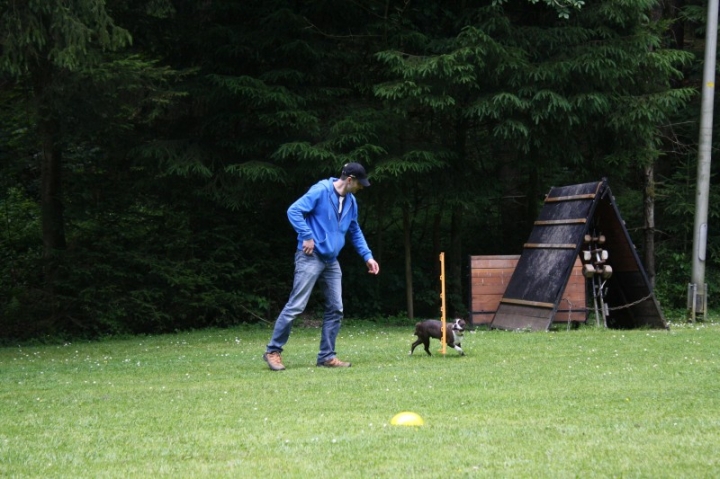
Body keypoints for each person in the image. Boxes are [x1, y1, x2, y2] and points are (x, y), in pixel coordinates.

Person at [263, 162, 380, 371]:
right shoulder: (320, 191)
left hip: (331, 260)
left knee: (336, 308)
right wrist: (306, 236)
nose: (361, 188)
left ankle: (327, 356)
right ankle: (273, 351)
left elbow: (354, 230)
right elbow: (294, 210)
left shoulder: (351, 202)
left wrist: (367, 256)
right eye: (359, 184)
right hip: (310, 256)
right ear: (350, 180)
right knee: (296, 306)